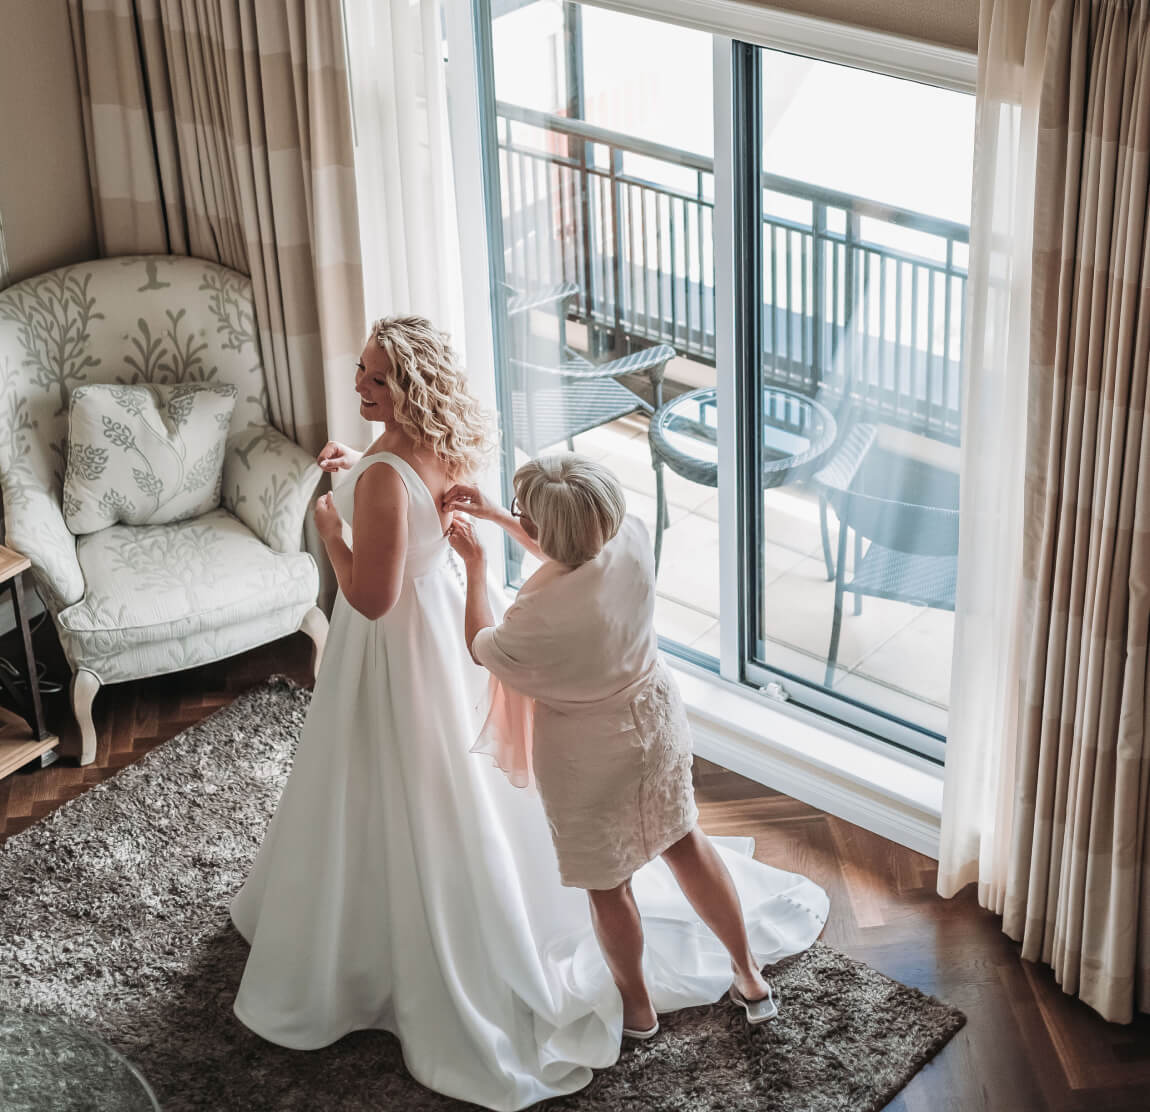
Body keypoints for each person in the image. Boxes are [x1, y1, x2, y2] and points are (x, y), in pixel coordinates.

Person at [445, 454, 830, 1037]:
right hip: (655, 721)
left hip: (587, 757)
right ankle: (749, 975)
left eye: (527, 514)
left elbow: (481, 645)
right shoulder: (630, 535)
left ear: (552, 529)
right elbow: (570, 547)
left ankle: (638, 1010)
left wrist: (475, 564)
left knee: (609, 883)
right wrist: (501, 516)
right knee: (685, 842)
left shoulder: (538, 615)